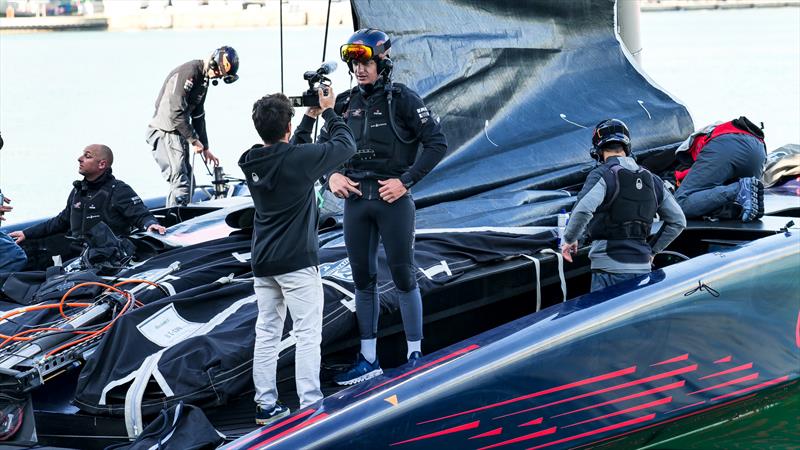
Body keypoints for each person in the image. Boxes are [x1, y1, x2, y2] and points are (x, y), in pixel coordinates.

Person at [304, 28, 447, 385]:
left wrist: (406, 181)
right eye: (354, 63)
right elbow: (324, 152)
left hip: (393, 200)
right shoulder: (344, 103)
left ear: (382, 61)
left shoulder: (404, 100)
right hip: (356, 203)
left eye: (365, 61)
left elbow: (437, 143)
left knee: (403, 276)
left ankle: (415, 355)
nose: (359, 69)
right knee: (363, 281)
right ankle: (368, 360)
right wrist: (331, 177)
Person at [239, 88, 355, 424]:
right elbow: (345, 145)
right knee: (307, 333)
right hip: (298, 263)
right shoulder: (298, 160)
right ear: (287, 128)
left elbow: (289, 151)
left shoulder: (250, 159)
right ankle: (311, 404)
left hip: (263, 262)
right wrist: (331, 112)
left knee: (268, 331)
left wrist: (307, 118)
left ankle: (265, 405)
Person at [560, 119, 686, 292]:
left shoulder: (602, 174)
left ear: (597, 150)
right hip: (643, 269)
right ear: (627, 148)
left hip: (609, 270)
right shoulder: (654, 180)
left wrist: (569, 239)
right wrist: (652, 251)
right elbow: (678, 221)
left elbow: (582, 209)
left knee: (602, 317)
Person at [9, 145, 166, 259]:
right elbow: (61, 220)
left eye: (87, 156)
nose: (80, 158)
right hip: (78, 255)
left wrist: (150, 224)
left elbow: (140, 214)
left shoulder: (118, 189)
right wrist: (26, 233)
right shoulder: (78, 190)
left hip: (108, 257)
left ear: (102, 164)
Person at [146, 46, 239, 207]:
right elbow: (175, 113)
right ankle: (173, 224)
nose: (216, 75)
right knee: (180, 183)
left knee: (189, 183)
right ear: (212, 62)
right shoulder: (190, 72)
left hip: (178, 134)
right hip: (165, 132)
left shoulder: (203, 79)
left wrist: (205, 147)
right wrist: (194, 140)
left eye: (221, 75)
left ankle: (182, 220)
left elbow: (198, 115)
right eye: (217, 71)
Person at [673, 117, 767, 222]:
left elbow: (690, 177)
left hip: (725, 145)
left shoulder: (684, 156)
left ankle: (738, 189)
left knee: (679, 205)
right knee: (751, 192)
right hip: (759, 149)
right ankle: (745, 202)